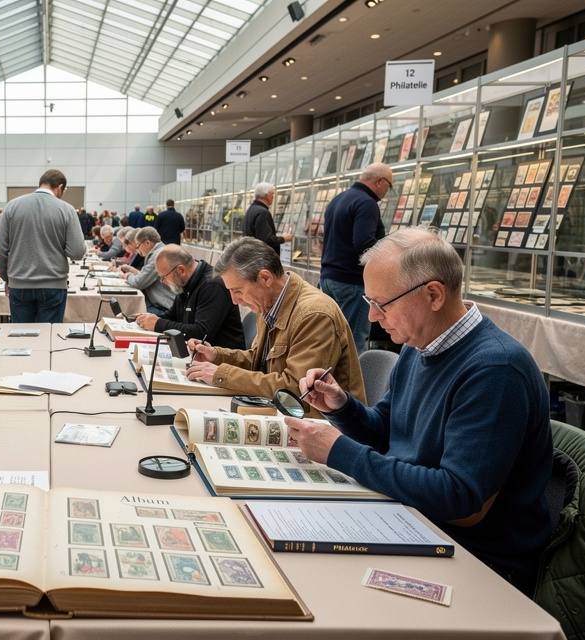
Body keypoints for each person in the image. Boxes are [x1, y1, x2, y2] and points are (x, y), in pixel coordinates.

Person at [284, 227, 553, 596]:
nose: (373, 317)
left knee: (323, 590)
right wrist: (342, 407)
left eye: (382, 303)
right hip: (414, 522)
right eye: (369, 301)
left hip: (478, 560)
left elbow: (459, 497)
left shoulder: (495, 369)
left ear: (433, 295)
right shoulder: (420, 344)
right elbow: (387, 433)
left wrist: (340, 451)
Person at [184, 236, 365, 404]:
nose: (234, 300)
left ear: (265, 278)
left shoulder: (314, 314)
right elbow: (260, 363)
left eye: (237, 291)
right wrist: (217, 356)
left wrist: (222, 374)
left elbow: (296, 390)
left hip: (318, 420)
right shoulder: (268, 302)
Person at [0, 169, 86, 323]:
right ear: (60, 187)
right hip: (53, 284)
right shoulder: (67, 209)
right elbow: (77, 252)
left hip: (19, 283)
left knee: (21, 334)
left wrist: (7, 278)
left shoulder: (12, 206)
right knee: (49, 334)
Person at [320, 162, 393, 353]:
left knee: (331, 340)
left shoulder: (338, 199)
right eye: (389, 185)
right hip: (352, 282)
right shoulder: (366, 203)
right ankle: (349, 375)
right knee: (352, 344)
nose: (387, 191)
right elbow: (364, 243)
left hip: (329, 278)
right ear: (380, 181)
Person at [134, 245, 243, 349]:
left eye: (163, 277)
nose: (162, 282)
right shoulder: (184, 283)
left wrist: (157, 324)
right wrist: (149, 319)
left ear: (180, 270)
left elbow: (201, 333)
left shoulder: (212, 286)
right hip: (195, 351)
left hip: (220, 356)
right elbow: (173, 316)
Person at [119, 227, 175, 315]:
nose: (138, 250)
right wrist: (133, 271)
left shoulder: (157, 256)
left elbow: (139, 283)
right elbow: (149, 277)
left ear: (148, 243)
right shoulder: (159, 251)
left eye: (138, 246)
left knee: (128, 309)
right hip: (161, 302)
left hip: (163, 307)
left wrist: (128, 276)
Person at [242, 182, 291, 255]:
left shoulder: (251, 209)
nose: (273, 197)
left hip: (252, 254)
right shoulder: (262, 212)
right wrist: (283, 238)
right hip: (261, 257)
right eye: (272, 194)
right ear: (268, 195)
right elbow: (266, 240)